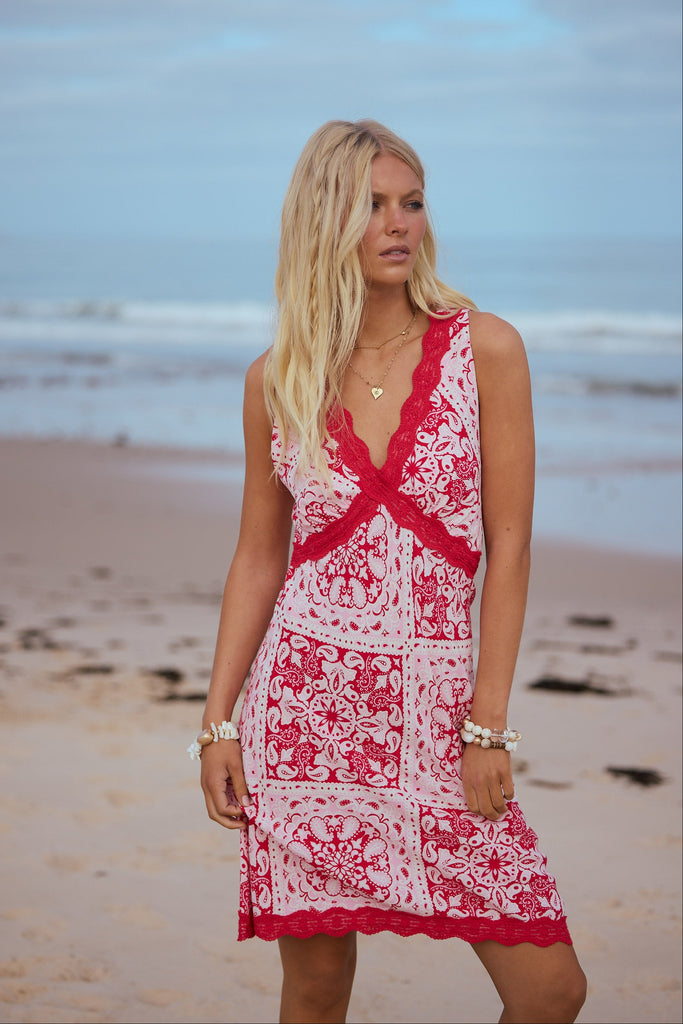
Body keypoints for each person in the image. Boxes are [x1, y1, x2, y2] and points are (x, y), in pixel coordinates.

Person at [192, 119, 587, 1024]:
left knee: (551, 989)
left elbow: (511, 543)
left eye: (410, 202)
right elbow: (258, 556)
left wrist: (487, 724)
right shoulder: (277, 380)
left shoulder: (484, 349)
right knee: (318, 988)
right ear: (323, 220)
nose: (398, 224)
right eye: (371, 206)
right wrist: (216, 723)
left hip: (443, 721)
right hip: (308, 721)